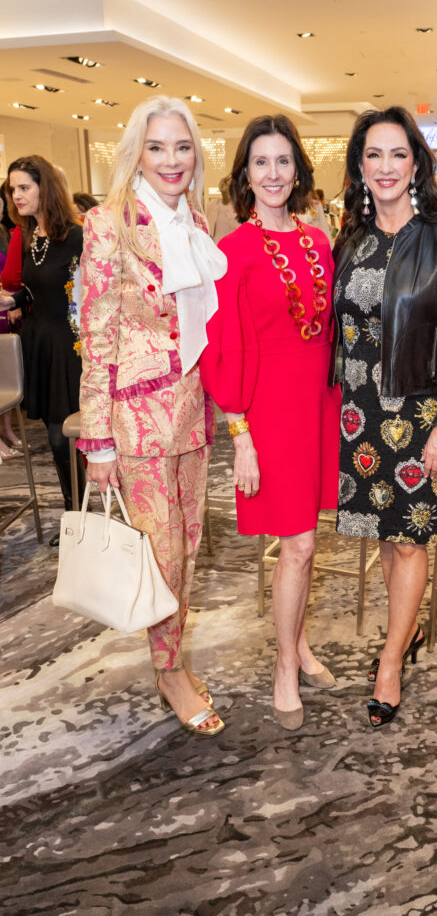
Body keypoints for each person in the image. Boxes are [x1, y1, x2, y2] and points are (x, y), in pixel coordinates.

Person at [77, 95, 228, 737]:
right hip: (135, 419)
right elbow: (98, 332)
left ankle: (172, 657)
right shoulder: (110, 222)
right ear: (137, 150)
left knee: (189, 546)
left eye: (182, 146)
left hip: (193, 413)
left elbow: (202, 322)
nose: (171, 159)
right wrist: (97, 440)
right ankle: (169, 671)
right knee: (162, 553)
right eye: (158, 146)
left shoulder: (193, 218)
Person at [331, 106, 437, 728]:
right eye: (374, 155)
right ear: (359, 166)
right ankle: (408, 624)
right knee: (388, 542)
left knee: (410, 539)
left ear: (416, 163)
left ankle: (391, 659)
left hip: (420, 414)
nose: (386, 167)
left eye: (398, 154)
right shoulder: (352, 239)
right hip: (361, 413)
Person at [200, 115, 340, 732]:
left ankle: (300, 641)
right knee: (299, 544)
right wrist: (242, 438)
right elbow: (221, 347)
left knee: (304, 543)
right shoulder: (231, 251)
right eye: (262, 162)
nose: (274, 174)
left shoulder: (319, 241)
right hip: (267, 411)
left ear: (298, 170)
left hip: (317, 404)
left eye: (284, 161)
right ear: (245, 174)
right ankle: (285, 664)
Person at [5, 156, 84, 542]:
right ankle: (76, 517)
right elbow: (38, 287)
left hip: (71, 347)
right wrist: (13, 299)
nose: (16, 195)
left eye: (24, 187)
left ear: (44, 189)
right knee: (56, 439)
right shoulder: (28, 236)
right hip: (41, 343)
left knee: (67, 438)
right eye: (13, 188)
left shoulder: (76, 235)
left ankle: (84, 516)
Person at [205, 175, 239, 242]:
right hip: (215, 247)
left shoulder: (239, 208)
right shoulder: (213, 204)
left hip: (231, 247)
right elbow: (208, 230)